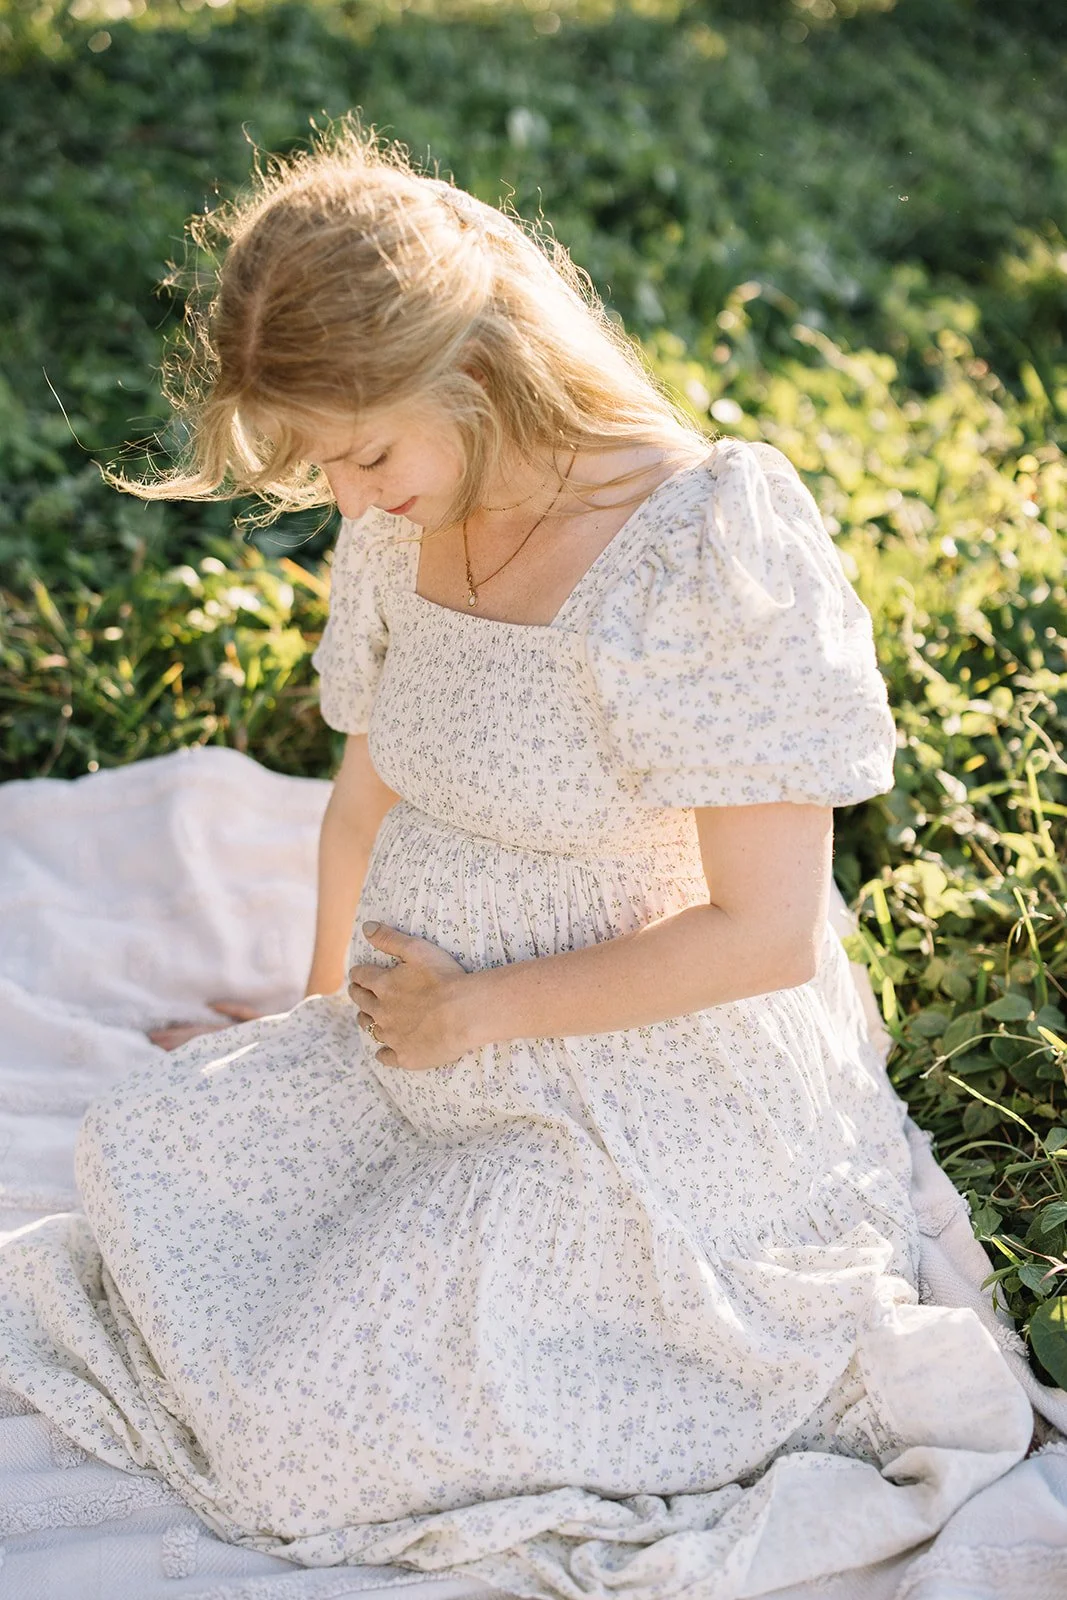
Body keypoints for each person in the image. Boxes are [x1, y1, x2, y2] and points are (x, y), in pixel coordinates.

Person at [0, 120, 1033, 1598]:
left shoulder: (699, 544)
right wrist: (313, 1022)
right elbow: (365, 803)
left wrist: (478, 1014)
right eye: (318, 467)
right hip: (423, 1041)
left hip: (636, 1077)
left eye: (359, 452)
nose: (346, 497)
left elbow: (765, 935)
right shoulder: (407, 518)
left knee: (318, 1408)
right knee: (148, 1157)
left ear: (474, 366)